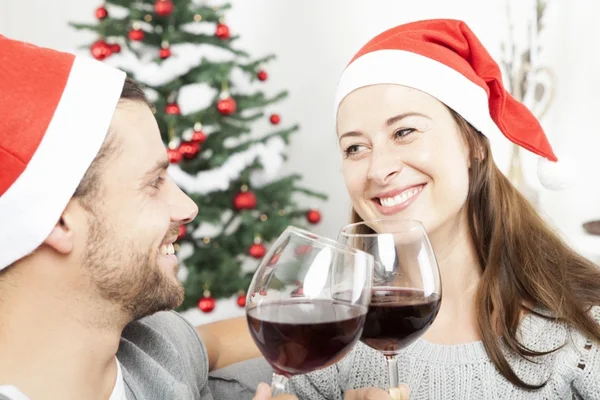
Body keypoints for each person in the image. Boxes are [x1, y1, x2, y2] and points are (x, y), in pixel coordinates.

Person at [286, 19, 600, 399]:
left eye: (404, 132)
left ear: (473, 144)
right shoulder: (327, 331)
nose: (379, 169)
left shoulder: (582, 326)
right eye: (355, 147)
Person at [0, 35, 296, 400]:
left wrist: (371, 313)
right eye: (154, 182)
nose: (188, 208)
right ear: (58, 220)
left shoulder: (155, 347)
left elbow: (211, 343)